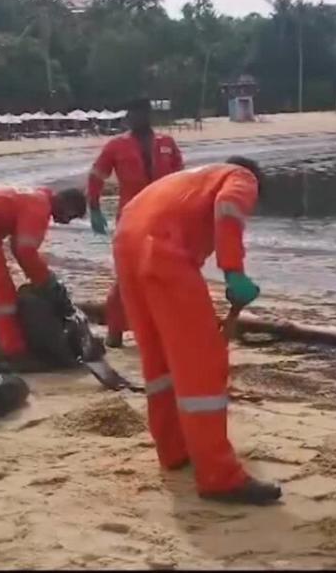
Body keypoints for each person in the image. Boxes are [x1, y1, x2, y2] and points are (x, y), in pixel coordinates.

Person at [112, 155, 280, 505]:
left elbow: (131, 213)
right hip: (165, 256)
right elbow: (229, 208)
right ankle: (219, 477)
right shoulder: (241, 176)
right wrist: (233, 270)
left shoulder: (187, 180)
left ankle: (174, 450)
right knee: (201, 368)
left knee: (160, 365)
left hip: (128, 250)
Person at [86, 97, 184, 348]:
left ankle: (161, 328)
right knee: (126, 277)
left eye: (142, 113)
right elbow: (97, 175)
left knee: (162, 274)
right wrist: (94, 208)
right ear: (128, 117)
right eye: (134, 114)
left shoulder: (167, 143)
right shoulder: (116, 146)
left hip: (163, 218)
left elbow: (182, 179)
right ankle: (115, 331)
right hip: (131, 218)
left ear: (149, 115)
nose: (138, 118)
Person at [0, 185, 87, 361]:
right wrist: (45, 280)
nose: (67, 221)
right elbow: (25, 250)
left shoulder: (36, 198)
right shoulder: (39, 208)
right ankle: (13, 350)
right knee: (1, 293)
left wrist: (39, 277)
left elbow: (19, 247)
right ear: (67, 206)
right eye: (71, 216)